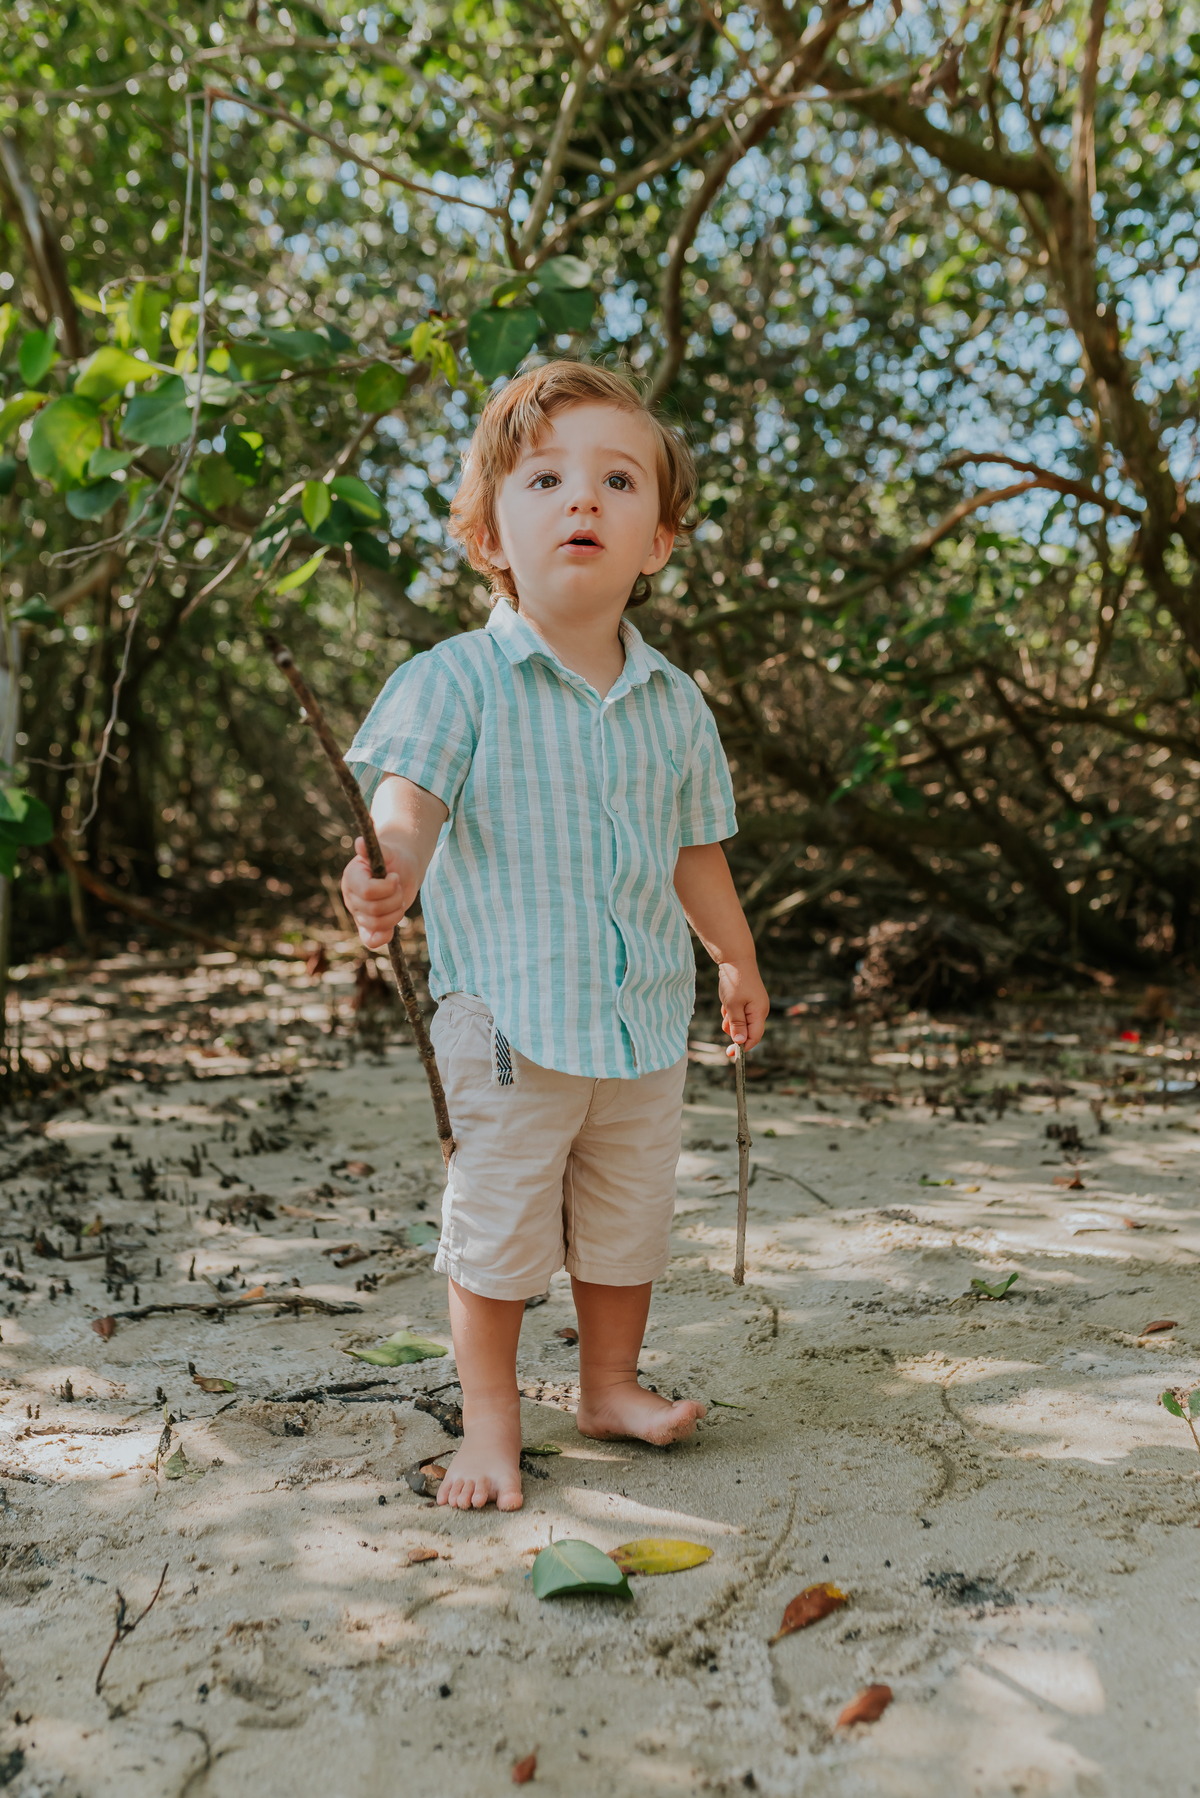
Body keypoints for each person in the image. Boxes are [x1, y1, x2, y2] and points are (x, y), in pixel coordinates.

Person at [342, 360, 768, 1511]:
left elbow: (692, 852)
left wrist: (734, 954)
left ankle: (609, 1384)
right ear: (490, 533)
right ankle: (491, 1422)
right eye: (545, 479)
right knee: (498, 1228)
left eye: (617, 480)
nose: (582, 499)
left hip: (637, 1023)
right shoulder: (455, 681)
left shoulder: (674, 701)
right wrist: (387, 870)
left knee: (627, 1221)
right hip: (511, 1029)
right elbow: (409, 805)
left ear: (660, 540)